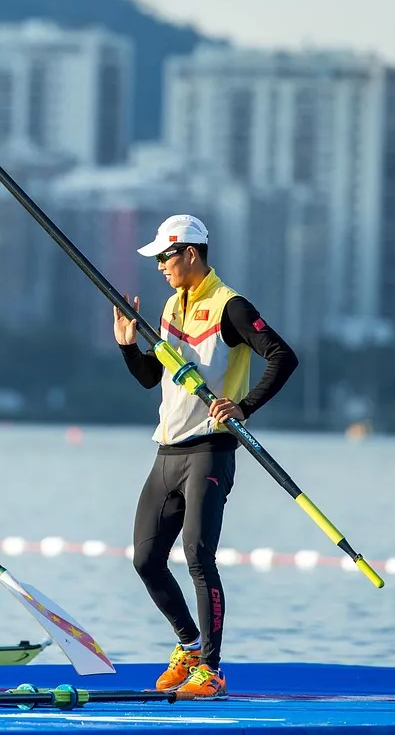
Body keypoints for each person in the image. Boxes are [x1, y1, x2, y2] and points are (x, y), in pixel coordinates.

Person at [113, 214, 298, 699]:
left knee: (197, 554)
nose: (159, 267)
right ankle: (188, 646)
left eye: (164, 256)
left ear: (190, 253)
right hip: (168, 448)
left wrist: (245, 406)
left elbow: (283, 356)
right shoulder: (173, 305)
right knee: (146, 559)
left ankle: (211, 670)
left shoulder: (231, 306)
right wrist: (128, 347)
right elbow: (151, 378)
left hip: (211, 450)